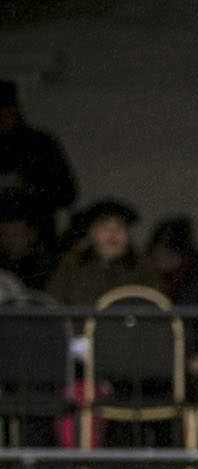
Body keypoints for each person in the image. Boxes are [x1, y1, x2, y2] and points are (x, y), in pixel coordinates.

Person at [0, 80, 77, 255]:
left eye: (7, 110)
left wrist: (28, 190)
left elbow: (67, 193)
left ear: (16, 109)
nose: (3, 117)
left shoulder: (40, 145)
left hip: (38, 245)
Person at [47, 198, 161, 305]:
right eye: (105, 227)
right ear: (92, 232)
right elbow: (54, 308)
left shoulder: (143, 269)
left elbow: (157, 308)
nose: (113, 234)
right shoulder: (72, 266)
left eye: (120, 227)